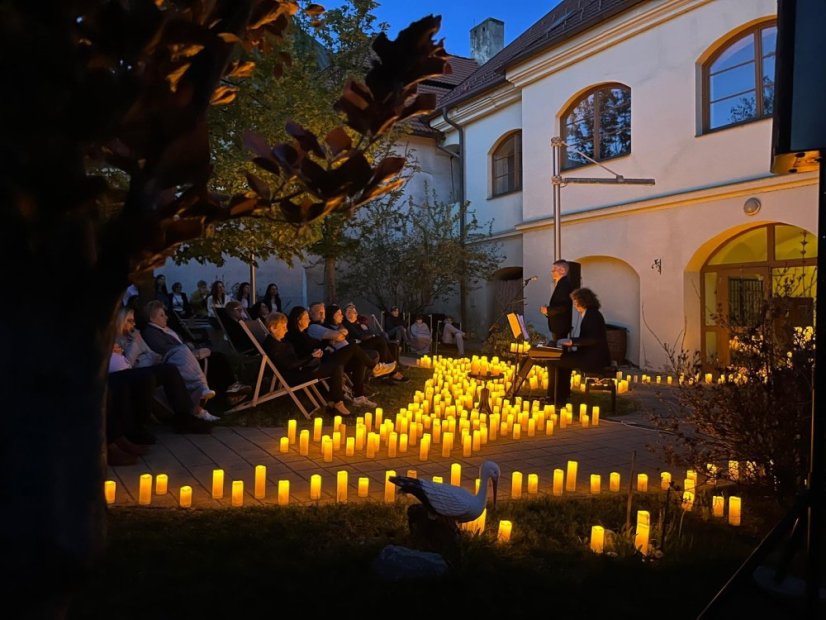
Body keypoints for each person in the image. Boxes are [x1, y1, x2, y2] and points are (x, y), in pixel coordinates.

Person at [114, 308, 214, 433]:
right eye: (129, 321)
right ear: (120, 322)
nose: (133, 325)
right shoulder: (117, 341)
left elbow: (150, 353)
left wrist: (155, 356)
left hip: (152, 363)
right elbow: (127, 363)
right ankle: (195, 402)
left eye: (134, 322)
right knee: (174, 363)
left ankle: (188, 413)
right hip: (137, 369)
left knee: (178, 358)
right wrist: (135, 344)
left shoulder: (134, 335)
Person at [141, 300, 250, 413]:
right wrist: (189, 349)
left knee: (218, 357)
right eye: (162, 315)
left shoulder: (164, 330)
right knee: (216, 360)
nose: (166, 318)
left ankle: (229, 391)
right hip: (181, 363)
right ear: (152, 318)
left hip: (187, 357)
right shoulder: (151, 333)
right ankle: (226, 395)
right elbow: (165, 350)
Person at [287, 306, 391, 407]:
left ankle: (359, 397)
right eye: (306, 317)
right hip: (322, 363)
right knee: (353, 347)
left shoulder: (305, 333)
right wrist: (326, 345)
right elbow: (308, 350)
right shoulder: (302, 333)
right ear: (299, 320)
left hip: (327, 358)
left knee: (359, 360)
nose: (309, 319)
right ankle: (375, 367)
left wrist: (327, 344)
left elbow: (322, 344)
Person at [262, 312, 350, 416]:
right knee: (336, 366)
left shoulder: (278, 341)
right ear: (273, 328)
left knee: (335, 364)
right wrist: (311, 357)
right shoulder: (273, 345)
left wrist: (312, 356)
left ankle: (334, 401)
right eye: (283, 327)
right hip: (295, 377)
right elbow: (290, 364)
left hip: (300, 370)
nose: (286, 330)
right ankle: (337, 402)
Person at [546, 287, 611, 407]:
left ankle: (553, 397)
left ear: (582, 301)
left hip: (593, 359)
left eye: (575, 301)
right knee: (563, 359)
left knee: (553, 360)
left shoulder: (592, 315)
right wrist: (571, 342)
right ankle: (562, 395)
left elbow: (593, 339)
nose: (574, 304)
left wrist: (572, 342)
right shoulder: (591, 313)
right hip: (589, 355)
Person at [341, 303, 407, 382]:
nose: (357, 314)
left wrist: (367, 331)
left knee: (393, 346)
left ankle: (390, 372)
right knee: (379, 340)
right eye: (354, 312)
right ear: (348, 314)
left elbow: (370, 332)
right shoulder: (347, 325)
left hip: (365, 342)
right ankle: (392, 371)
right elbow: (361, 336)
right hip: (358, 346)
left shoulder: (358, 323)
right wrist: (370, 334)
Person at [540, 259, 573, 343]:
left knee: (559, 350)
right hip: (558, 325)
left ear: (562, 270)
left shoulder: (564, 285)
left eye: (554, 269)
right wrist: (547, 312)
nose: (552, 272)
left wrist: (548, 310)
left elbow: (564, 306)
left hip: (560, 326)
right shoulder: (561, 284)